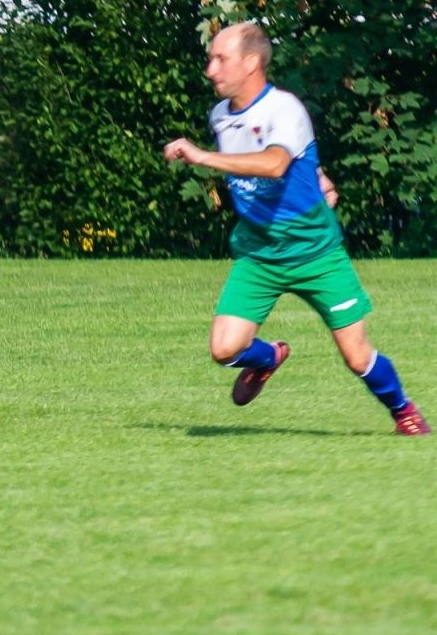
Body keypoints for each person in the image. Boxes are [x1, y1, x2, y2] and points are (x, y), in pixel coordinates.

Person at [164, 21, 428, 435]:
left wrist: (202, 158)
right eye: (210, 59)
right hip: (259, 254)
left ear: (251, 62)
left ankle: (403, 411)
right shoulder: (220, 115)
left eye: (220, 59)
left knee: (357, 358)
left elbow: (274, 163)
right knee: (224, 349)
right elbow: (283, 158)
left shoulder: (284, 108)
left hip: (316, 254)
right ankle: (267, 358)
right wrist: (317, 173)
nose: (210, 69)